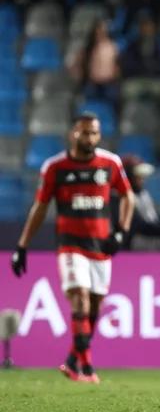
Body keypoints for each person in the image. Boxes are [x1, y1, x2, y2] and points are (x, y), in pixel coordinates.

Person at [10, 113, 135, 384]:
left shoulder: (110, 163)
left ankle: (70, 361)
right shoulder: (55, 167)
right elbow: (40, 207)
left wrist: (121, 232)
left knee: (94, 310)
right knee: (79, 298)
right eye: (84, 132)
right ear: (73, 134)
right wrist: (22, 246)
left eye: (94, 133)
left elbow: (128, 196)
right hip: (70, 244)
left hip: (101, 246)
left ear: (99, 135)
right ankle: (87, 368)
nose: (89, 137)